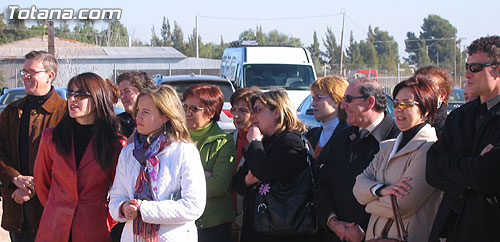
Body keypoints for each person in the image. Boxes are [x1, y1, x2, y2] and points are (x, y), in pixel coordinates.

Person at [33, 72, 127, 241]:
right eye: (70, 93)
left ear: (98, 98)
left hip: (93, 227)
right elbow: (42, 184)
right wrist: (57, 208)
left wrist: (105, 219)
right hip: (54, 227)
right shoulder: (51, 137)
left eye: (81, 94)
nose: (73, 99)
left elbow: (120, 190)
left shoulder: (116, 144)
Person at [109, 85, 207, 242]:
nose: (138, 117)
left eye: (145, 112)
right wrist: (123, 208)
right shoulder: (128, 153)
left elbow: (193, 206)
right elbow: (116, 198)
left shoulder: (184, 151)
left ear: (166, 116)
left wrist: (144, 208)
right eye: (138, 111)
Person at [426, 36, 500, 242]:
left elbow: (485, 174)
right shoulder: (460, 116)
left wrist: (452, 163)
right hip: (453, 227)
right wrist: (469, 173)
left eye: (476, 67)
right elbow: (432, 168)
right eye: (467, 66)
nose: (467, 74)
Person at [353, 76, 440, 241]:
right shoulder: (387, 147)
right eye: (396, 103)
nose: (399, 109)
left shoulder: (428, 149)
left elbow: (401, 206)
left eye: (406, 104)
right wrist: (380, 189)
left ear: (426, 109)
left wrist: (368, 202)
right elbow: (357, 187)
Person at [314, 78, 400, 242]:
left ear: (369, 102)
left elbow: (398, 196)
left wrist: (363, 229)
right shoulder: (341, 139)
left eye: (348, 100)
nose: (343, 105)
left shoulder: (397, 140)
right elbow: (323, 184)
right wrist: (333, 222)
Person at [0, 50, 66, 242]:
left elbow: (69, 161)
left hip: (52, 210)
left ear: (50, 76)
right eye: (24, 72)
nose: (26, 77)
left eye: (32, 72)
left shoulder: (65, 113)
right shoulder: (12, 112)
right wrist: (15, 178)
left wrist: (36, 187)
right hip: (18, 209)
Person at [232, 89, 313, 242]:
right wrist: (248, 180)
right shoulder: (264, 141)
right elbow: (238, 183)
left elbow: (266, 172)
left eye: (258, 110)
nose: (253, 116)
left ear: (276, 112)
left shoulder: (292, 142)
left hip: (284, 231)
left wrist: (255, 142)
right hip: (258, 228)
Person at [183, 84, 236, 242]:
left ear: (212, 112)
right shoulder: (176, 138)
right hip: (182, 221)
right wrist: (202, 178)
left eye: (194, 108)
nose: (187, 113)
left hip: (213, 224)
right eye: (185, 107)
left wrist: (183, 187)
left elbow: (219, 185)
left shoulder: (224, 141)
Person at [229, 87, 261, 242]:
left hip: (250, 221)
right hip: (229, 216)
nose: (236, 115)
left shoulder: (260, 142)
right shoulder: (231, 138)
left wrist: (241, 220)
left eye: (243, 110)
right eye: (234, 109)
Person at [305, 75, 349, 162]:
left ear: (336, 100)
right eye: (313, 99)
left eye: (318, 98)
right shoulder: (312, 135)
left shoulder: (349, 136)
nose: (313, 104)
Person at [413, 66, 454, 137]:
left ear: (442, 95)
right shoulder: (407, 122)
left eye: (428, 89)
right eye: (417, 88)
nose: (421, 94)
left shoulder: (448, 129)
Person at [116, 71, 156, 138]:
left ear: (142, 91)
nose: (123, 97)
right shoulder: (118, 124)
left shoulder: (155, 122)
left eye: (127, 91)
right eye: (121, 93)